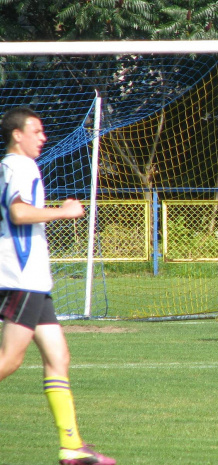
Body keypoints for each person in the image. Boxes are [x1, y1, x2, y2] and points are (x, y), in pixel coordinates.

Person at [0, 107, 116, 465]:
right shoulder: (19, 165)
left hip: (34, 277)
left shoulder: (13, 165)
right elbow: (19, 213)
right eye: (36, 131)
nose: (43, 137)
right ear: (17, 134)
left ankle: (71, 446)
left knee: (58, 356)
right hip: (20, 276)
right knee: (9, 359)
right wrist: (63, 212)